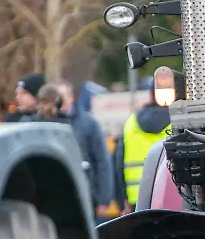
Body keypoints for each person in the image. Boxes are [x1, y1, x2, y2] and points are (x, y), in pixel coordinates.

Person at [55, 78, 115, 219]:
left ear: (71, 97)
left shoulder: (88, 124)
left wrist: (103, 199)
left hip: (87, 197)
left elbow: (102, 161)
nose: (60, 102)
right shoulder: (48, 124)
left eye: (63, 97)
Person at [115, 77, 171, 213]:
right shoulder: (178, 122)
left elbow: (118, 164)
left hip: (138, 199)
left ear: (151, 95)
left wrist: (122, 201)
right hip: (172, 195)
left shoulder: (131, 122)